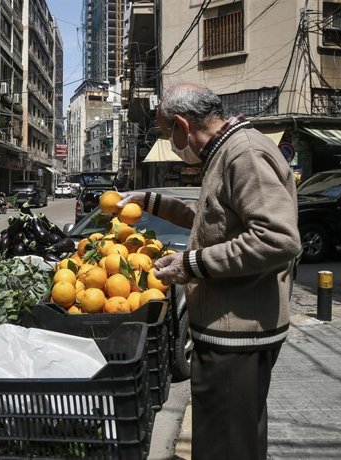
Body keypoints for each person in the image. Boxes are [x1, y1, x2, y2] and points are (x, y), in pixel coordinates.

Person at [118, 83, 301, 460]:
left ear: (182, 126)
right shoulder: (226, 153)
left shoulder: (244, 153)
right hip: (228, 334)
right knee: (238, 441)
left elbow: (278, 240)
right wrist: (150, 201)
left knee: (225, 447)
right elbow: (214, 223)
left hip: (238, 337)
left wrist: (190, 265)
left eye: (167, 132)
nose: (170, 141)